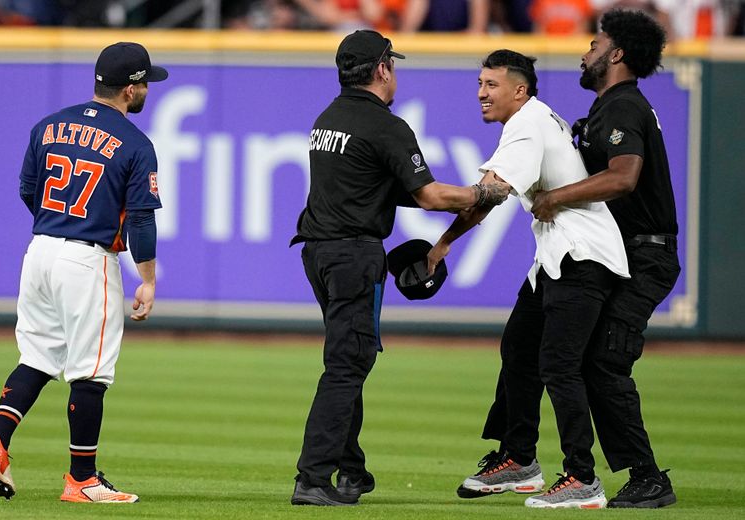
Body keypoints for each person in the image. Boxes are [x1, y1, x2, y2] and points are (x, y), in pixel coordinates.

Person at [289, 29, 510, 507]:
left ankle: (351, 471)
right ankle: (313, 478)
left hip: (318, 253)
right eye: (394, 64)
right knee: (348, 364)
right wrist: (481, 194)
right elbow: (428, 196)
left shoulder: (328, 118)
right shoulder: (386, 125)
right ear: (382, 69)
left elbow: (380, 187)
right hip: (353, 255)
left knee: (346, 357)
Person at [429, 49, 630, 509]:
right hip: (557, 259)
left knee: (559, 365)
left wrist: (441, 241)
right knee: (519, 348)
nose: (481, 93)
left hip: (583, 256)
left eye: (491, 84)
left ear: (519, 90)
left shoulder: (525, 123)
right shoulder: (534, 118)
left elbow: (490, 193)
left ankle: (583, 478)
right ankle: (520, 459)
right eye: (479, 83)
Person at [0, 42, 167, 503]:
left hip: (40, 250)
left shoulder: (48, 126)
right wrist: (148, 278)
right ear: (129, 88)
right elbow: (140, 218)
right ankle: (82, 479)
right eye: (143, 83)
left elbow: (28, 189)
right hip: (86, 260)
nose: (146, 90)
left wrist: (56, 226)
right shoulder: (136, 143)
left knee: (38, 357)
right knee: (91, 372)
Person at [531, 8, 681, 508]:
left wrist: (557, 197)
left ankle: (648, 478)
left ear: (616, 54)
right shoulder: (608, 107)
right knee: (589, 361)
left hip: (646, 256)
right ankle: (627, 475)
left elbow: (623, 177)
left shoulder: (621, 106)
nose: (584, 51)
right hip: (627, 253)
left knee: (605, 362)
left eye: (594, 44)